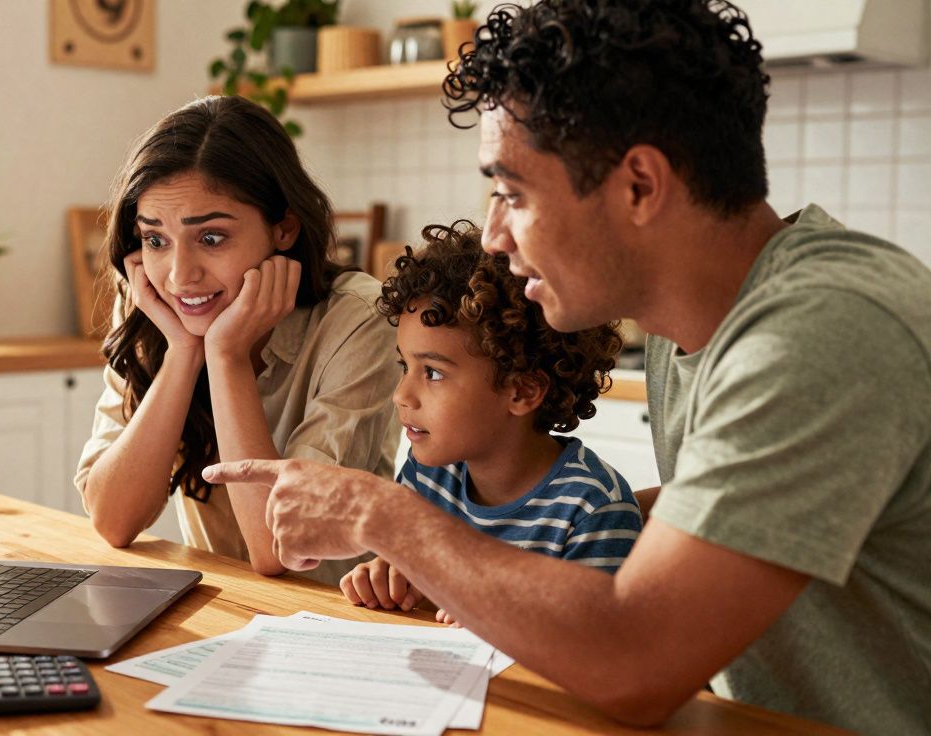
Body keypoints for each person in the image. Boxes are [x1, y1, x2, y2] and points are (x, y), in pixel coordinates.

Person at [204, 1, 931, 732]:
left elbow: (637, 662)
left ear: (640, 185)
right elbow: (738, 510)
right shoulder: (712, 326)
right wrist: (509, 543)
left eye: (512, 194)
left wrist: (379, 515)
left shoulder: (819, 333)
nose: (494, 236)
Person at [73, 95, 399, 586]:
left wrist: (224, 356)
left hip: (335, 619)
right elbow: (113, 521)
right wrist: (183, 354)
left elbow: (278, 549)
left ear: (283, 228)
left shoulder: (358, 320)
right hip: (223, 607)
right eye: (156, 240)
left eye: (210, 238)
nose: (180, 276)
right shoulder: (158, 312)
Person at [340, 221, 640, 619]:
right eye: (403, 366)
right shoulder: (429, 477)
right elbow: (420, 596)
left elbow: (599, 655)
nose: (401, 395)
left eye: (432, 373)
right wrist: (390, 582)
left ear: (522, 391)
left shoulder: (591, 510)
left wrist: (498, 623)